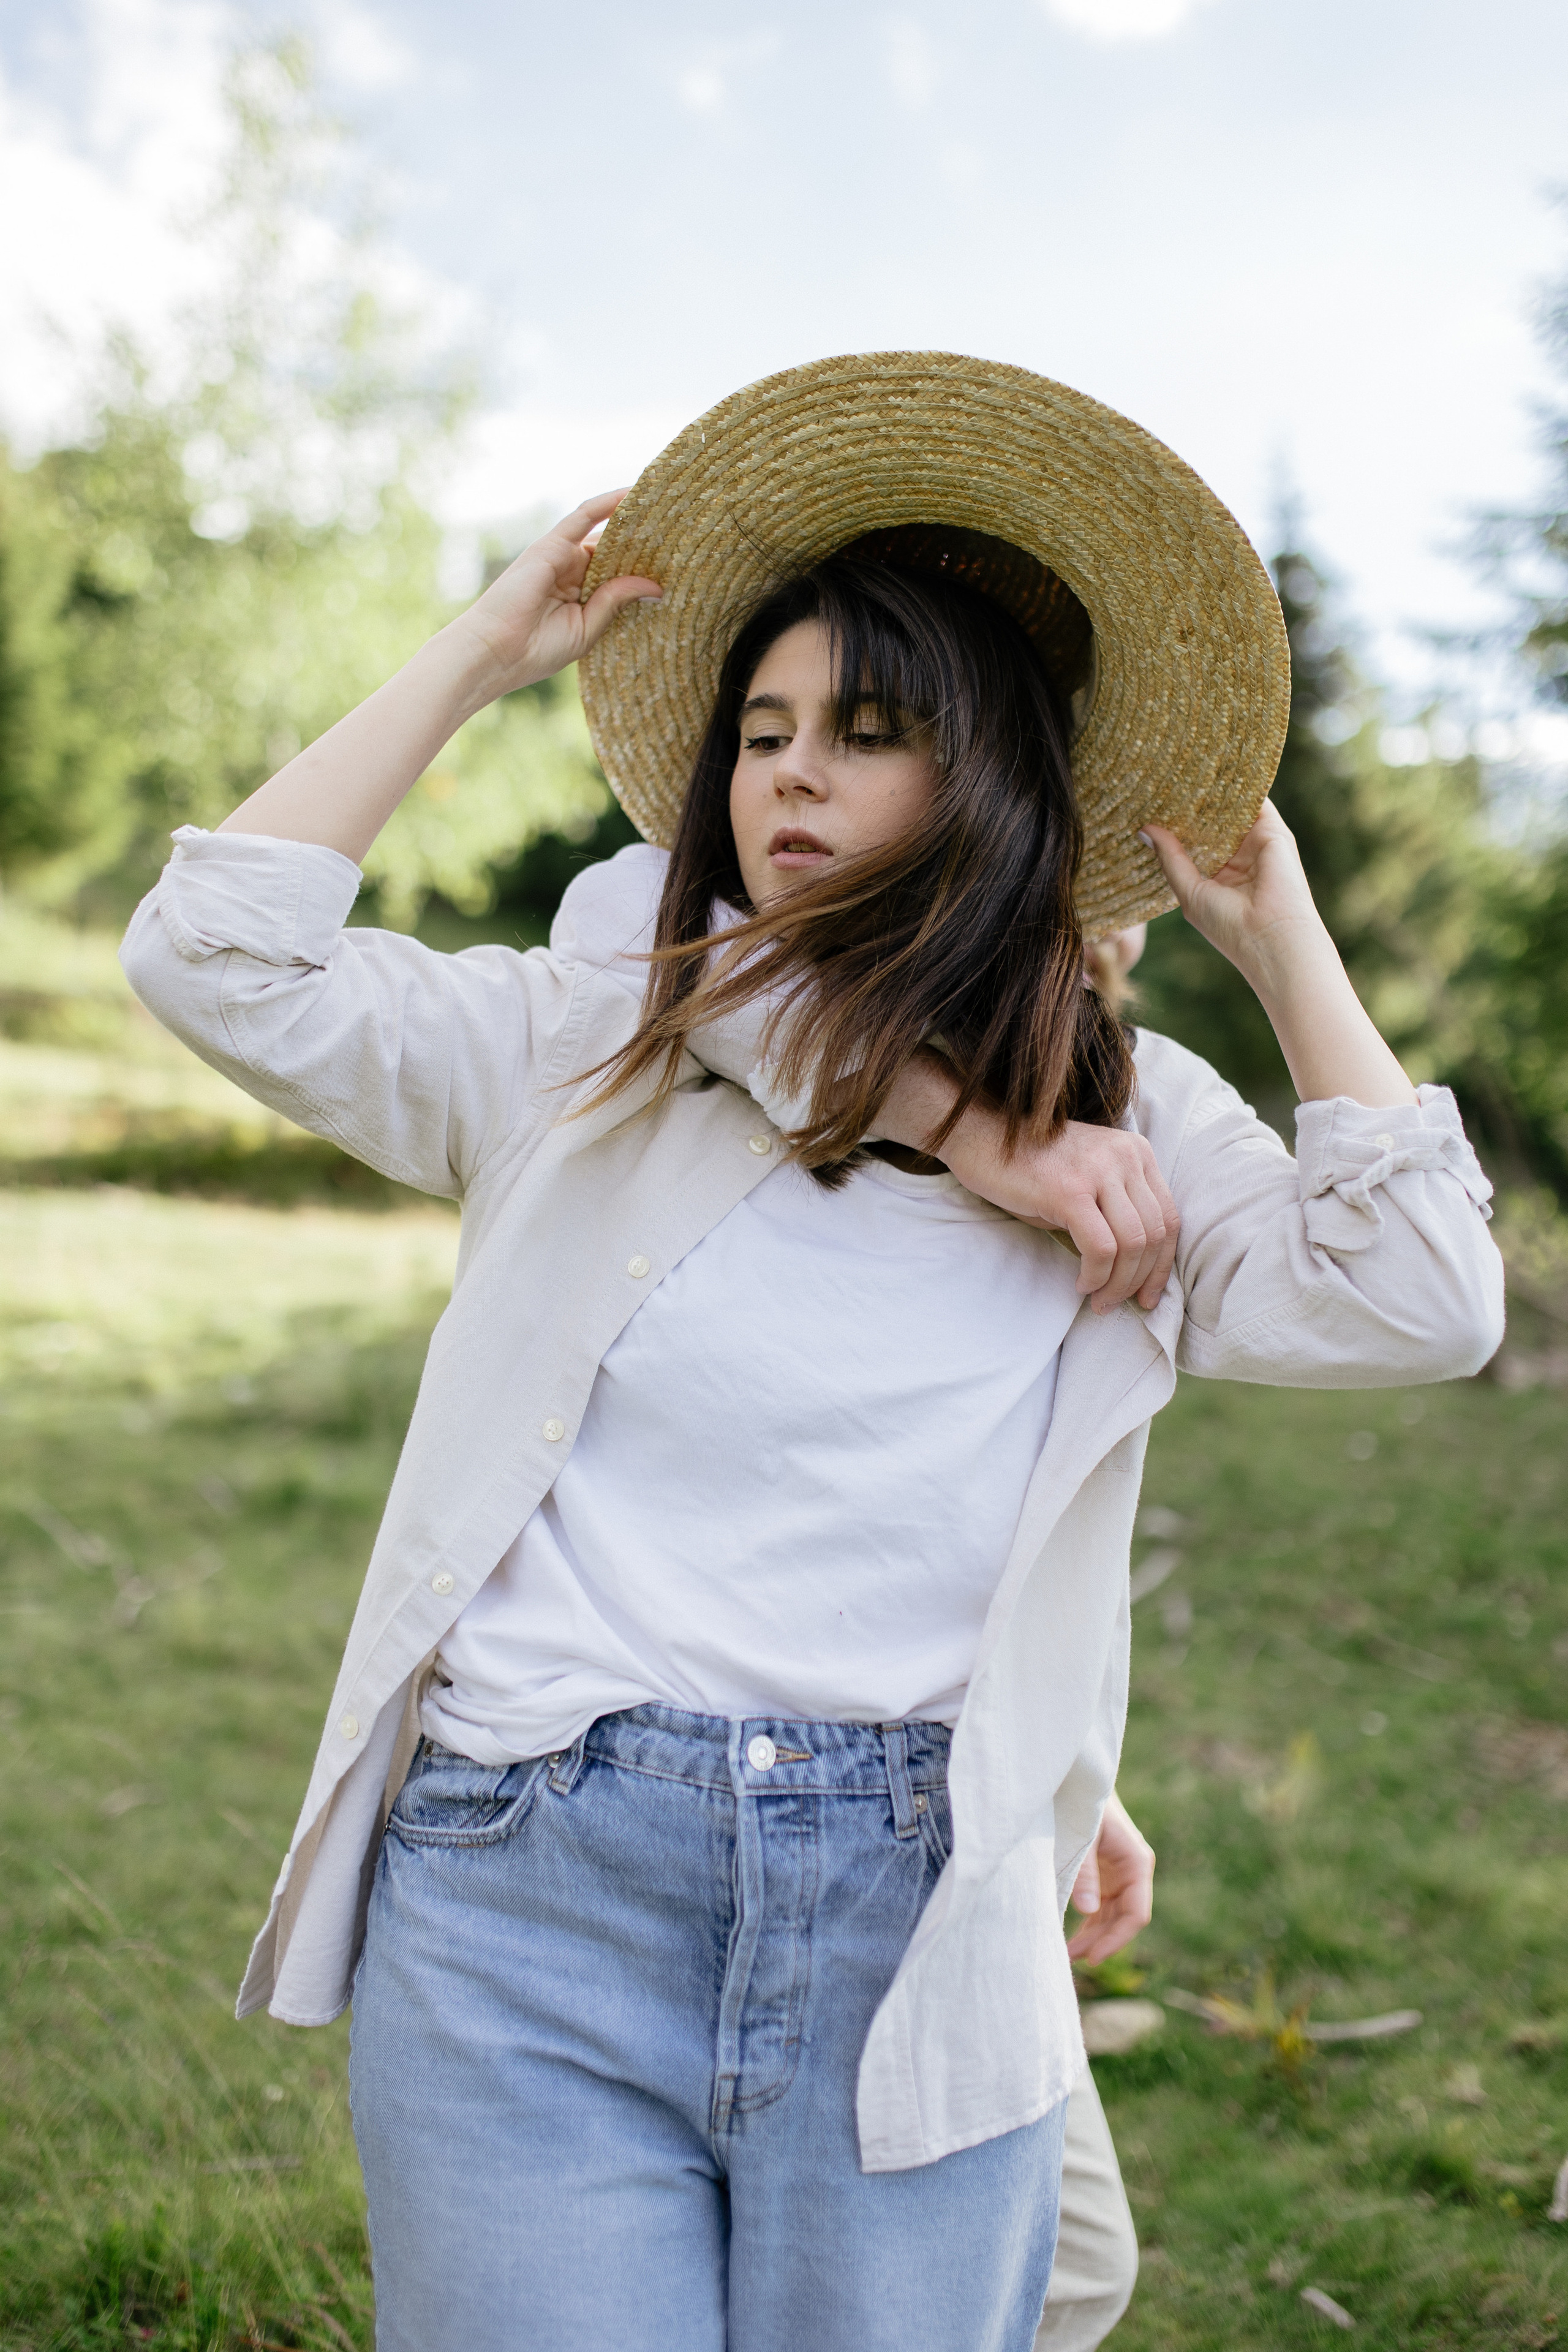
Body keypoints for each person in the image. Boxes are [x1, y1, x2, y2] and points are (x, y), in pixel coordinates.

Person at [119, 354, 1503, 2352]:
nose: (786, 770)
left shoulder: (1129, 1113)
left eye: (866, 730)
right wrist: (485, 648)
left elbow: (1427, 1300)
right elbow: (213, 954)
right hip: (532, 1869)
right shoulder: (597, 1023)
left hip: (912, 1905)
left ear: (996, 774)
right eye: (761, 729)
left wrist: (1283, 940)